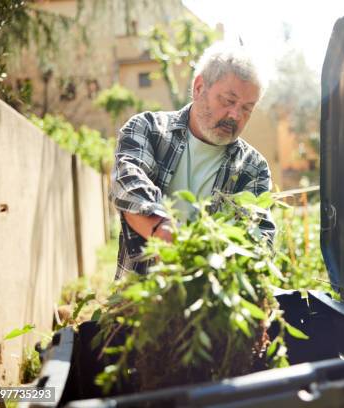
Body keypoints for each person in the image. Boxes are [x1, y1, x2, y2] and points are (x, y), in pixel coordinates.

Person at [109, 42, 275, 278]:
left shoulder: (253, 167)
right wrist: (163, 230)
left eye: (247, 108)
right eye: (228, 101)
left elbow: (260, 237)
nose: (235, 115)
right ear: (199, 88)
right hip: (139, 301)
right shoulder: (147, 129)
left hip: (214, 307)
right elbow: (128, 187)